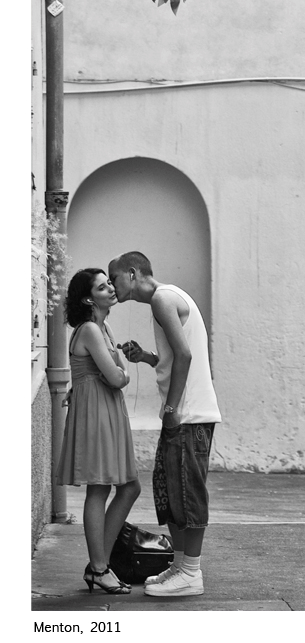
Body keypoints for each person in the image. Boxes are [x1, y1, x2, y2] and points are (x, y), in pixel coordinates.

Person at [108, 251, 221, 598]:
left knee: (187, 494)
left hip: (187, 415)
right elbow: (175, 357)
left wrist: (171, 407)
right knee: (170, 491)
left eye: (114, 278)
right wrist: (145, 357)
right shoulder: (168, 297)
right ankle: (180, 566)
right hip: (184, 414)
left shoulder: (161, 298)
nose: (112, 286)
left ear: (132, 273)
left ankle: (190, 573)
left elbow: (185, 355)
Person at [56, 268, 141, 595]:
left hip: (105, 409)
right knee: (100, 488)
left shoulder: (102, 327)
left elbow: (116, 374)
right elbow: (117, 377)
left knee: (128, 487)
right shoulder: (91, 329)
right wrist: (121, 372)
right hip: (96, 412)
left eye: (109, 284)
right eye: (103, 287)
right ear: (89, 299)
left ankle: (98, 565)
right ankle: (100, 568)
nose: (111, 289)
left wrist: (118, 372)